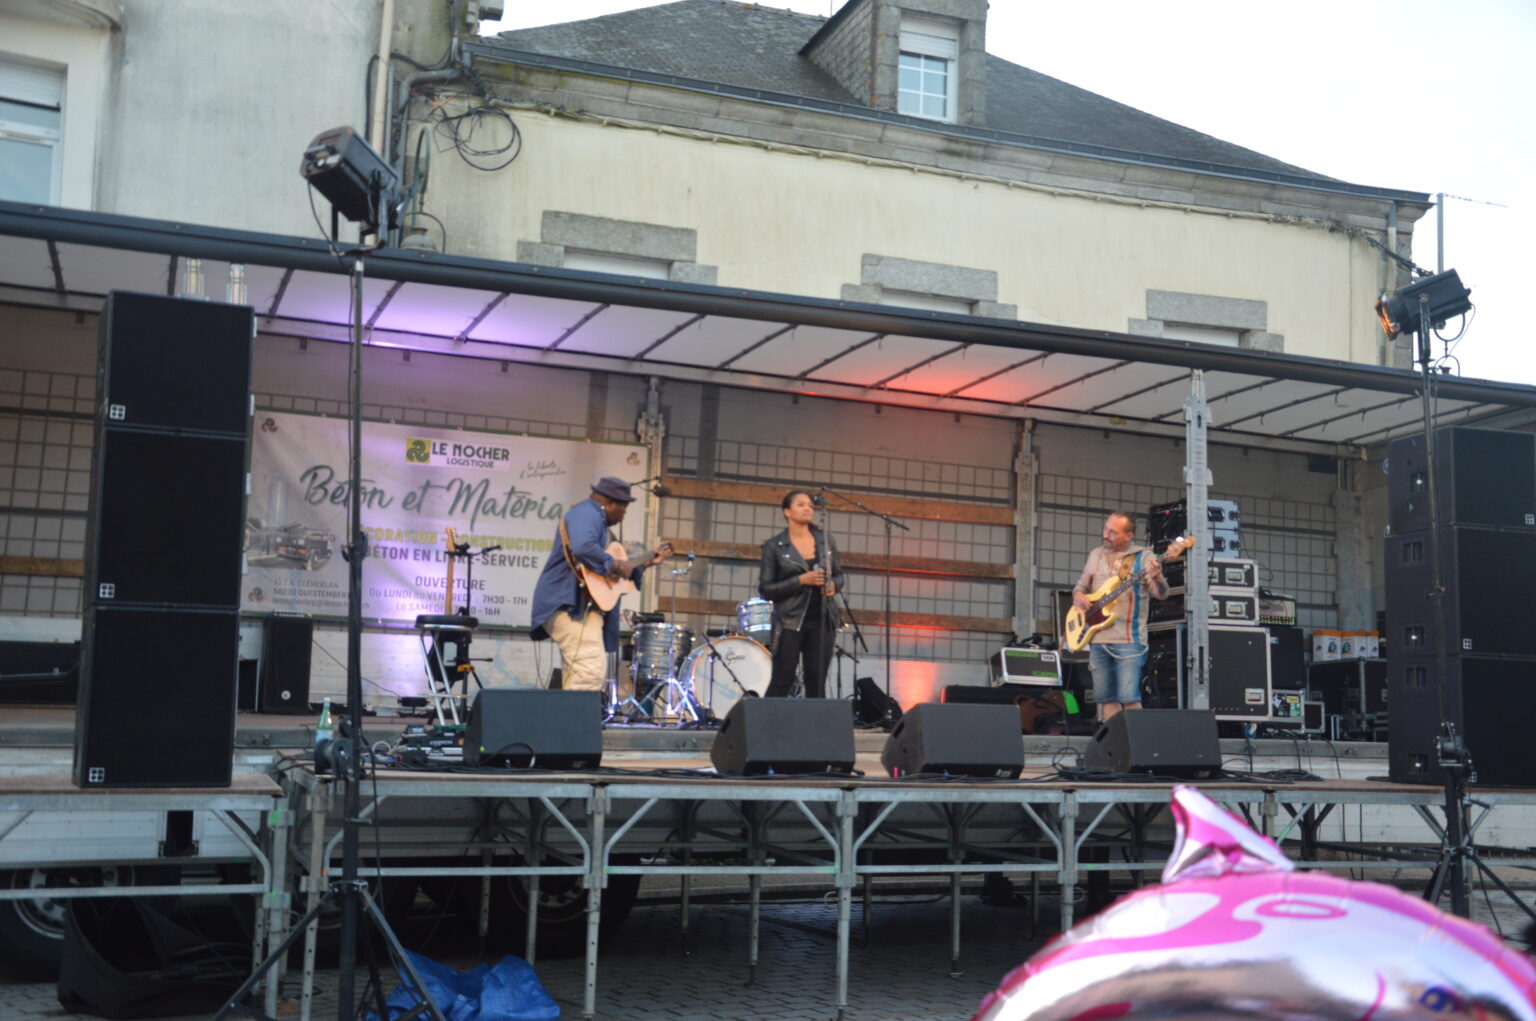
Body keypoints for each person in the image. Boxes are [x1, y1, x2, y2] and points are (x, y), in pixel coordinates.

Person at [530, 477, 671, 691]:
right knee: (589, 670)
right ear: (609, 502)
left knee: (580, 672)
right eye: (623, 508)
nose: (623, 515)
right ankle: (578, 715)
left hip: (577, 606)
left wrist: (646, 561)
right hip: (569, 605)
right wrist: (613, 564)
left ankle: (569, 714)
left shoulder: (598, 524)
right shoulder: (587, 513)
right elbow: (584, 547)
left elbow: (608, 573)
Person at [1071, 511, 1168, 722]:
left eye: (1113, 532)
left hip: (1129, 639)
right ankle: (1114, 741)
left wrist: (1157, 577)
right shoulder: (1096, 554)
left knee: (1129, 698)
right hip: (1097, 637)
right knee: (1107, 700)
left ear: (1128, 535)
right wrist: (1078, 596)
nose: (1105, 535)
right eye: (1106, 528)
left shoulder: (1144, 557)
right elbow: (1081, 586)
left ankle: (1137, 741)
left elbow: (1161, 594)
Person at [758, 490, 845, 699]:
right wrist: (800, 581)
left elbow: (840, 574)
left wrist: (833, 585)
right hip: (789, 621)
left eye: (810, 506)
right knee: (782, 679)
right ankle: (767, 719)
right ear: (787, 512)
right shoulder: (774, 546)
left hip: (823, 618)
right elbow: (766, 589)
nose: (807, 508)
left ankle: (814, 721)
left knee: (816, 682)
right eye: (800, 504)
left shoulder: (825, 541)